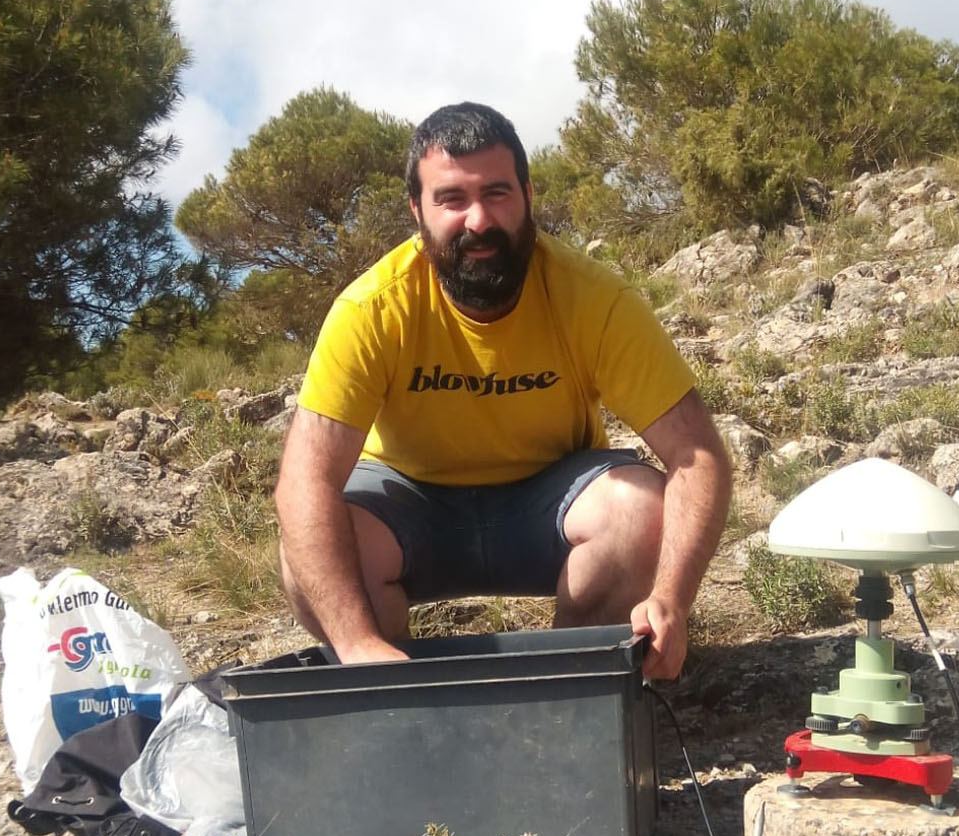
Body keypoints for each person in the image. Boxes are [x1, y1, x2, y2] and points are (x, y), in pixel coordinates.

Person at [274, 102, 732, 679]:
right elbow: (304, 482)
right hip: (409, 502)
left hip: (549, 498)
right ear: (417, 210)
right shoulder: (371, 308)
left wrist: (673, 598)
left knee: (641, 511)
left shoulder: (594, 299)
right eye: (451, 199)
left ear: (528, 195)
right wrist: (355, 640)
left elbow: (697, 453)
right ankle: (393, 690)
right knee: (309, 558)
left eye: (497, 193)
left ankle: (571, 687)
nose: (478, 221)